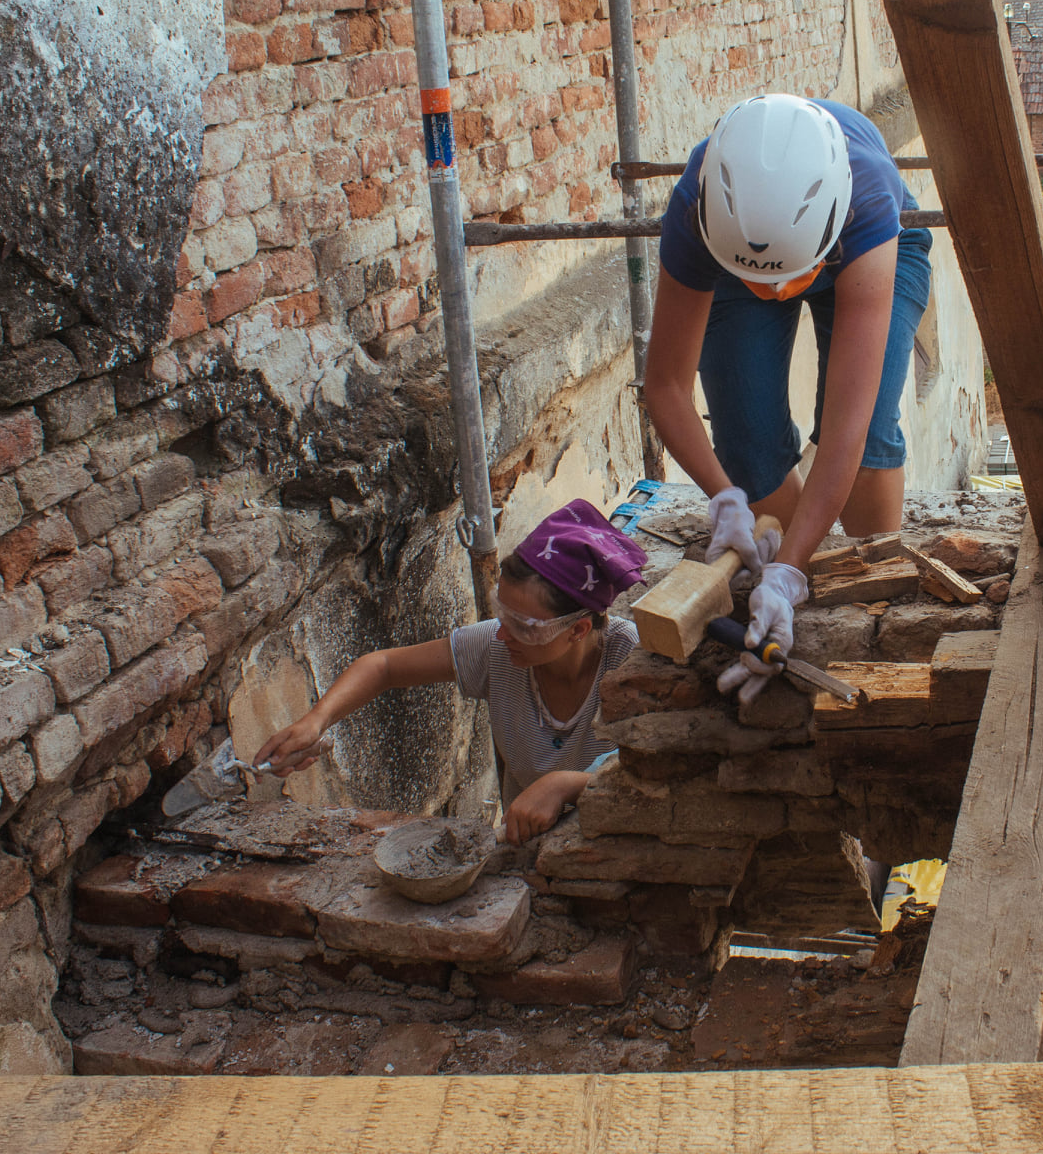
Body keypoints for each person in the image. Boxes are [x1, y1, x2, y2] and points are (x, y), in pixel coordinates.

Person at [642, 93, 932, 703]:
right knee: (748, 450)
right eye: (758, 280)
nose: (774, 296)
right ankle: (797, 585)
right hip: (741, 246)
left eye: (789, 280)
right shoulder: (699, 207)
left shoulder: (868, 197)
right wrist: (724, 498)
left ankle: (868, 606)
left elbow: (846, 426)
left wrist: (789, 569)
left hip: (869, 245)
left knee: (873, 431)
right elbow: (665, 384)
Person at [253, 500, 646, 845]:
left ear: (578, 629)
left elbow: (659, 776)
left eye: (525, 626)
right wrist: (316, 721)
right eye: (501, 612)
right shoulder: (499, 646)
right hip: (529, 849)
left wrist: (568, 785)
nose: (505, 632)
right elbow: (383, 666)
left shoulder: (634, 663)